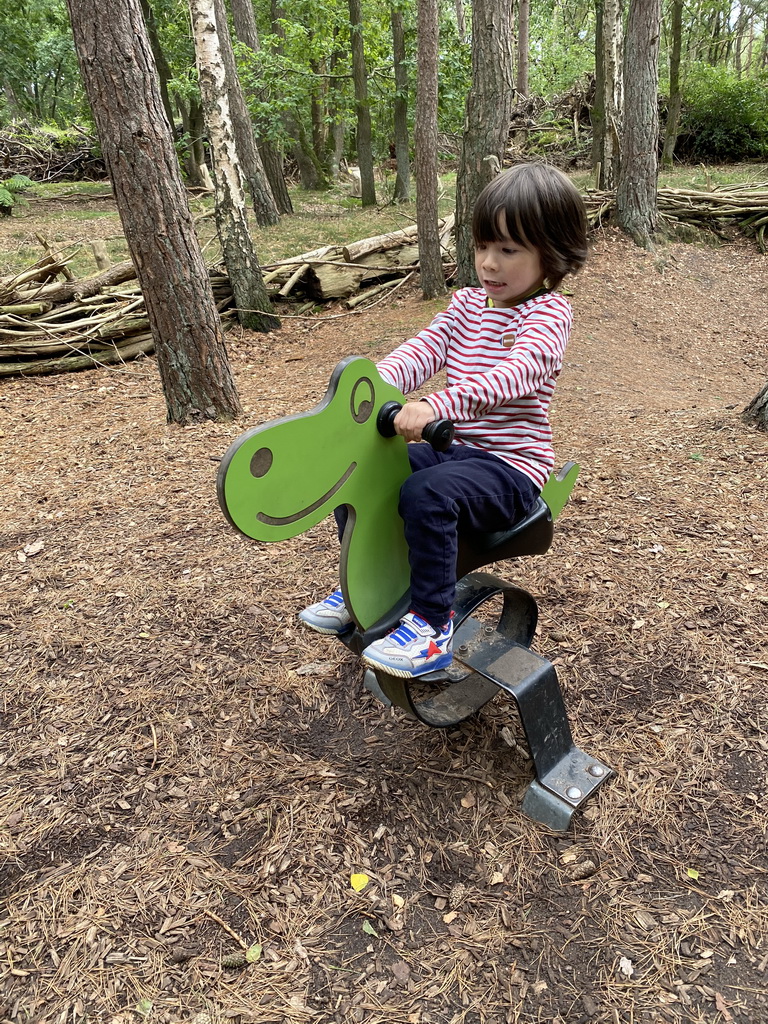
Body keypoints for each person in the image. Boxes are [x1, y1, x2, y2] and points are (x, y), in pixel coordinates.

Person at [299, 162, 588, 678]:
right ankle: (364, 580)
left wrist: (436, 406)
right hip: (455, 449)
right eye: (482, 247)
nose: (489, 264)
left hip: (510, 467)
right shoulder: (466, 305)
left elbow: (514, 375)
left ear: (553, 253)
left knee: (427, 494)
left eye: (508, 249)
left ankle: (433, 626)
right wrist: (374, 391)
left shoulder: (548, 315)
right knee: (366, 473)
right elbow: (424, 350)